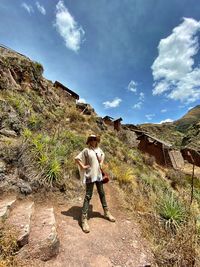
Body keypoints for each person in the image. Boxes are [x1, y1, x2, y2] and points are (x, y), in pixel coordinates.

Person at [75, 134, 116, 233]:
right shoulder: (86, 150)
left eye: (95, 139)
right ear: (89, 141)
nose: (93, 141)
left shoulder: (99, 150)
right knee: (88, 196)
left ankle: (106, 213)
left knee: (102, 194)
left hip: (98, 176)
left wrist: (101, 162)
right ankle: (84, 219)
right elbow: (76, 158)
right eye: (92, 139)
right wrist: (83, 166)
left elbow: (102, 155)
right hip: (90, 176)